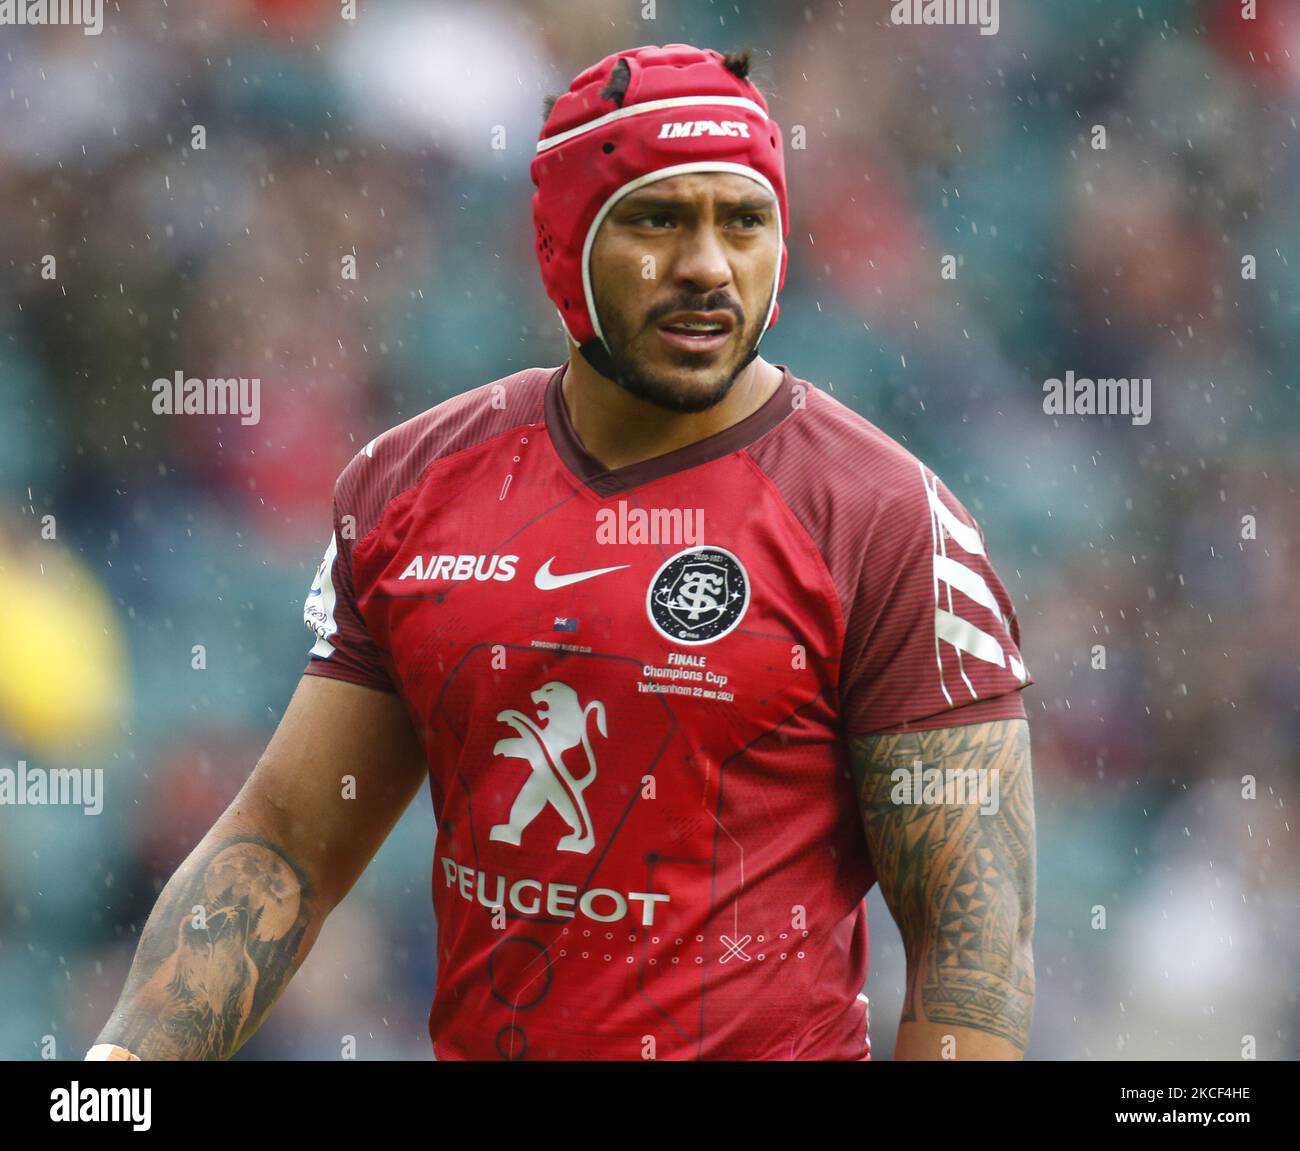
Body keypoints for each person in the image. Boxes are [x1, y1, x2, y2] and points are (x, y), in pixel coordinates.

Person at [88, 43, 1035, 1062]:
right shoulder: (412, 486)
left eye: (743, 220)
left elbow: (970, 942)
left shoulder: (886, 517)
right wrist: (118, 1078)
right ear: (562, 245)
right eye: (658, 219)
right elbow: (280, 849)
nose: (709, 265)